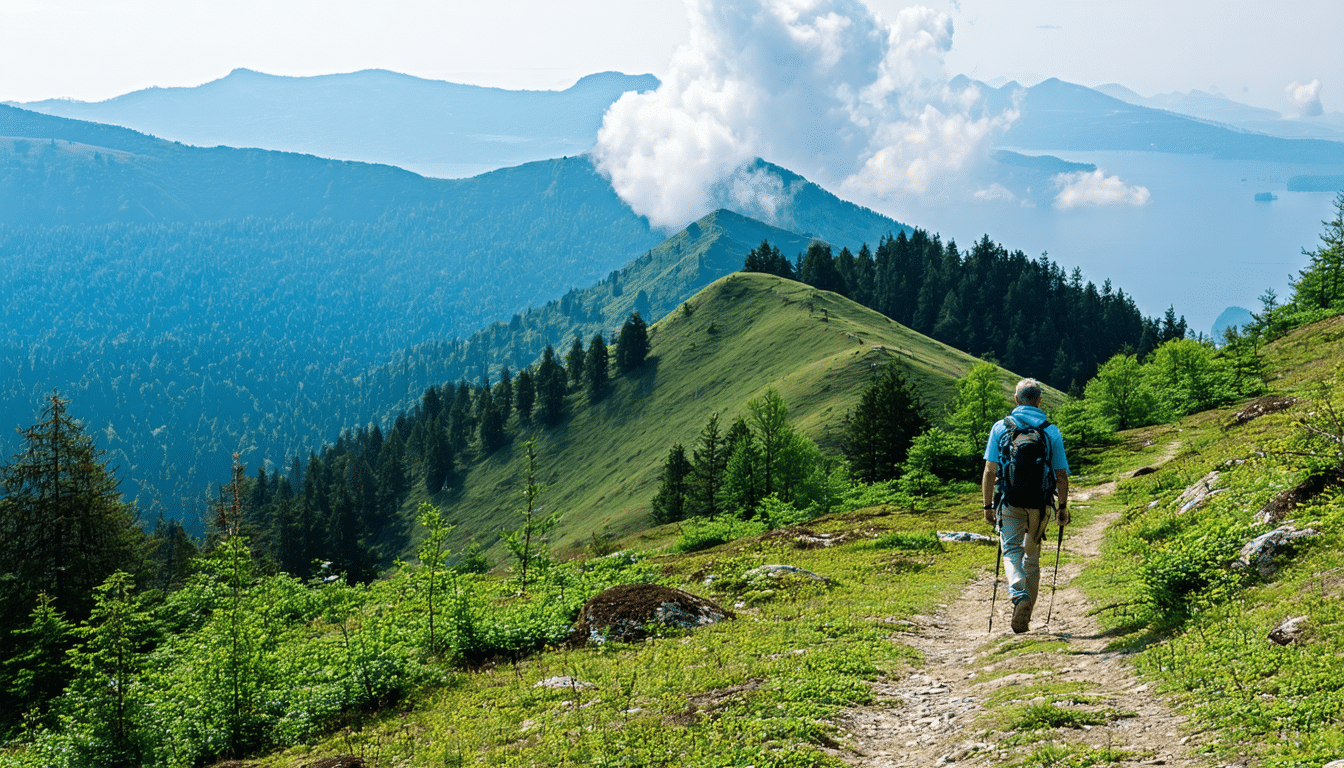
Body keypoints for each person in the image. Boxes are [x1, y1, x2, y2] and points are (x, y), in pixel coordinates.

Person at [981, 378, 1069, 633]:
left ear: (1016, 400)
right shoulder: (1050, 430)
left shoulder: (1001, 427)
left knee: (1010, 550)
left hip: (1009, 501)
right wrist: (1062, 507)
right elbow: (1061, 475)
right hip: (1040, 505)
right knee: (1032, 557)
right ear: (1040, 400)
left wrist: (987, 506)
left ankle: (1019, 596)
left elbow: (989, 470)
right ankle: (1026, 614)